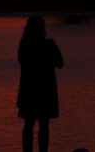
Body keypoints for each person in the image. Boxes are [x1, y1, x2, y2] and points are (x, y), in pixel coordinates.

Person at [17, 16, 64, 152]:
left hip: (29, 90)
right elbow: (60, 63)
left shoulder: (24, 45)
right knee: (44, 125)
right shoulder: (48, 45)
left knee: (28, 124)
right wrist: (53, 47)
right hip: (45, 91)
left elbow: (22, 61)